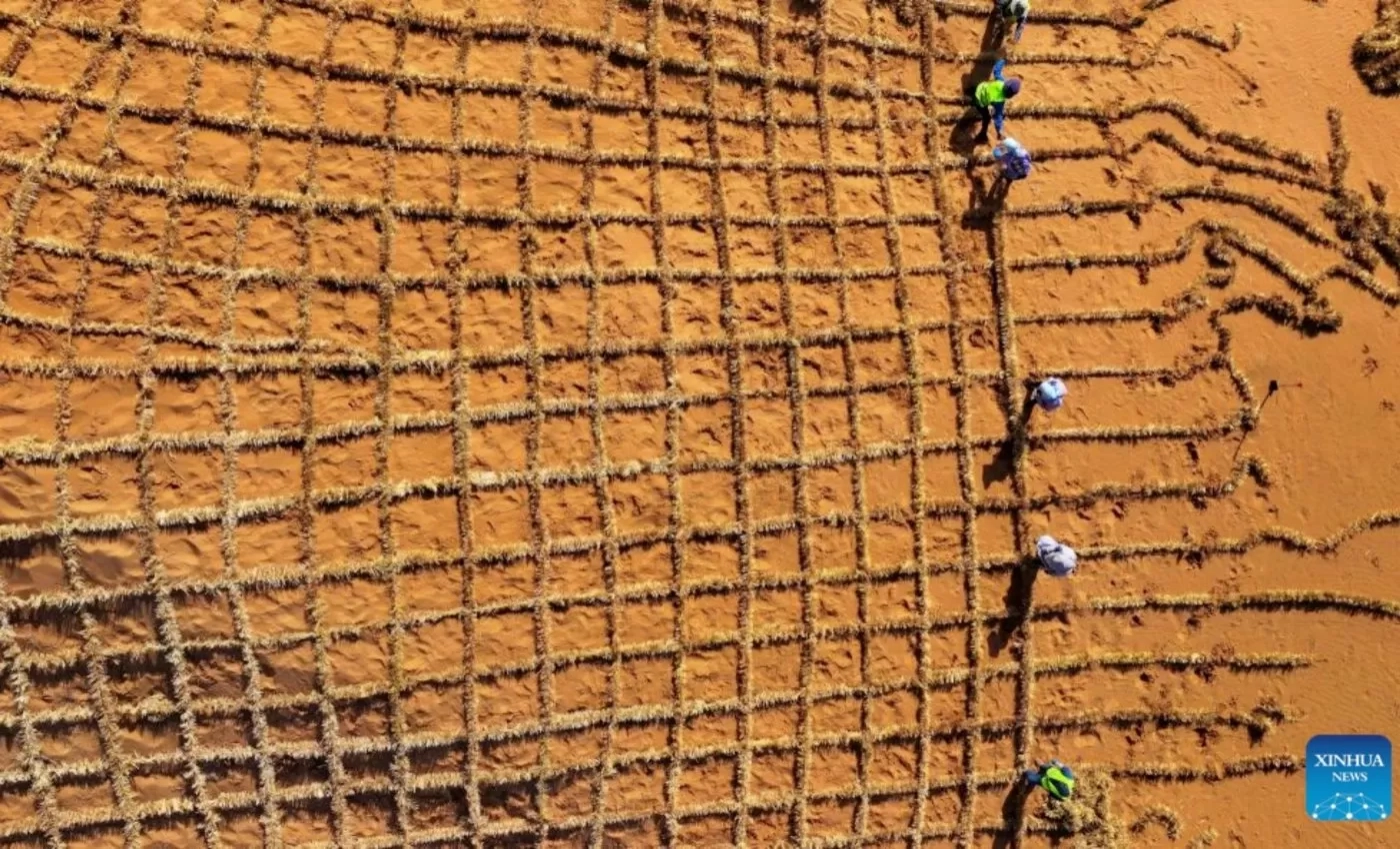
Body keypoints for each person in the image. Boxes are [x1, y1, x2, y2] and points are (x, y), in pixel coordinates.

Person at [973, 58, 1022, 141]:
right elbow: (998, 118)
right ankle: (982, 134)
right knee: (987, 117)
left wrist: (1002, 60)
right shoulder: (999, 102)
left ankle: (971, 90)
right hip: (980, 102)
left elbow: (997, 70)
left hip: (980, 88)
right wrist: (999, 131)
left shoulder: (1001, 81)